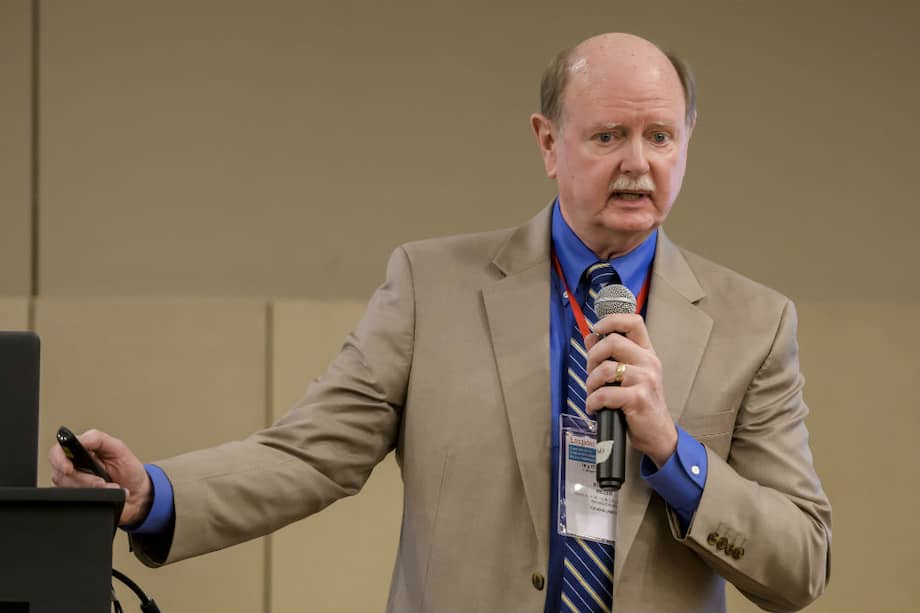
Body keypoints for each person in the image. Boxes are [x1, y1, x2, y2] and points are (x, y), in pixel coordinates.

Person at [50, 32, 831, 613]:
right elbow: (310, 455)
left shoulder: (753, 324)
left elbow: (801, 561)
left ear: (687, 142)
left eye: (659, 136)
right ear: (549, 143)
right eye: (607, 136)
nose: (637, 162)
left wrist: (672, 451)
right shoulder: (431, 287)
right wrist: (155, 491)